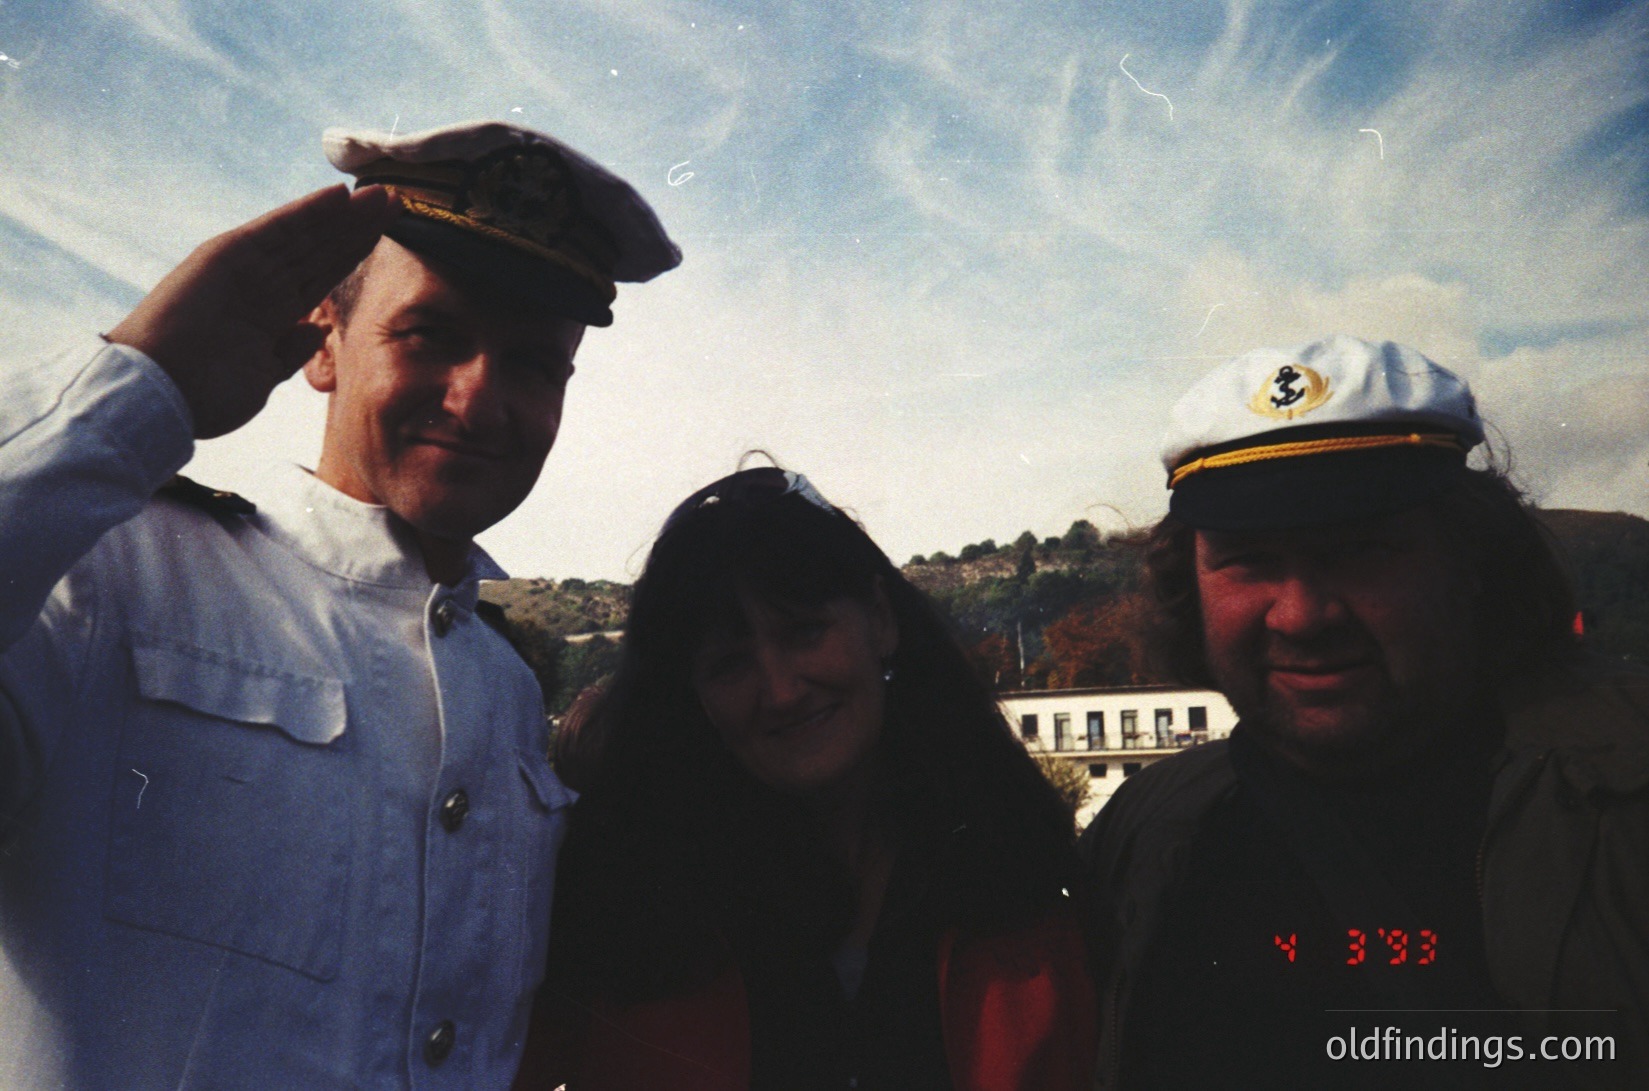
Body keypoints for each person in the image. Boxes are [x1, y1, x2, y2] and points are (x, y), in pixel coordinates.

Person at [0, 120, 679, 1089]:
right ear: (324, 343)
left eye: (533, 362)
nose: (480, 400)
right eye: (430, 334)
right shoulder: (110, 577)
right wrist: (137, 386)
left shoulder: (507, 695)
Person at [1079, 334, 1648, 1088]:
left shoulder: (1626, 799)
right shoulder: (1147, 823)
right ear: (1190, 579)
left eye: (1359, 550)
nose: (1301, 615)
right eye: (1249, 561)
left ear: (1471, 560)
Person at [514, 466, 1097, 1090]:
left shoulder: (1026, 881)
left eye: (804, 632)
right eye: (730, 663)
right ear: (693, 698)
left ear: (880, 620)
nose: (782, 691)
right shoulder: (622, 915)